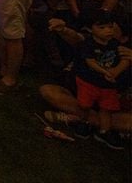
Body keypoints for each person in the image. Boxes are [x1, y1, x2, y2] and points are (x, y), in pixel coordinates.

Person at [48, 11, 129, 149]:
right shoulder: (90, 43)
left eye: (111, 28)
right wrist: (64, 29)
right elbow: (79, 40)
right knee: (50, 92)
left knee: (114, 111)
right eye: (103, 27)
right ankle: (97, 123)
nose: (108, 31)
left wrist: (116, 72)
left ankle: (85, 121)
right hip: (87, 88)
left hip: (111, 95)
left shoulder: (122, 50)